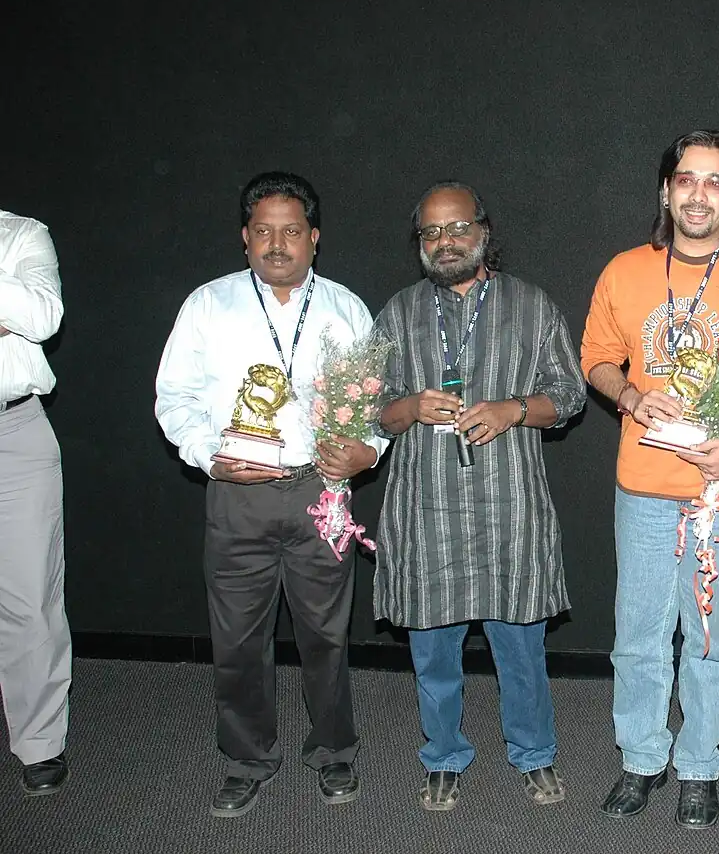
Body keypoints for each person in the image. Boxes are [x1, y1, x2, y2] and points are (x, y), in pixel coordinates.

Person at [581, 130, 719, 829]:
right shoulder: (625, 270)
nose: (698, 194)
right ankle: (641, 757)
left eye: (714, 182)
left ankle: (700, 765)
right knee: (638, 633)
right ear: (665, 191)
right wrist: (629, 395)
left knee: (709, 638)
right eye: (686, 179)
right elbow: (596, 358)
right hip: (645, 485)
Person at [155, 172, 385, 817]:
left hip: (322, 492)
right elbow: (174, 398)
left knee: (327, 636)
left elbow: (375, 401)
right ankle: (246, 759)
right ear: (245, 238)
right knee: (236, 640)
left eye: (291, 231)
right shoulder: (208, 304)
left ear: (314, 238)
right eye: (263, 231)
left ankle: (334, 750)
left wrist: (369, 449)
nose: (276, 244)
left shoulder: (345, 307)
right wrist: (210, 457)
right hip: (238, 497)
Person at [373, 181, 585, 813]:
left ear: (483, 232)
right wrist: (411, 406)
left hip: (508, 506)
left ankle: (534, 753)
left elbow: (570, 395)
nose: (446, 241)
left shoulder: (531, 305)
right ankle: (442, 755)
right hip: (426, 508)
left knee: (520, 647)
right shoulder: (399, 313)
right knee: (433, 652)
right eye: (432, 232)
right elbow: (369, 409)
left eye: (458, 227)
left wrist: (513, 409)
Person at [0, 209, 71, 797]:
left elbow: (42, 317)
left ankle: (40, 743)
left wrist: (14, 318)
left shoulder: (22, 235)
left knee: (29, 599)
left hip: (14, 436)